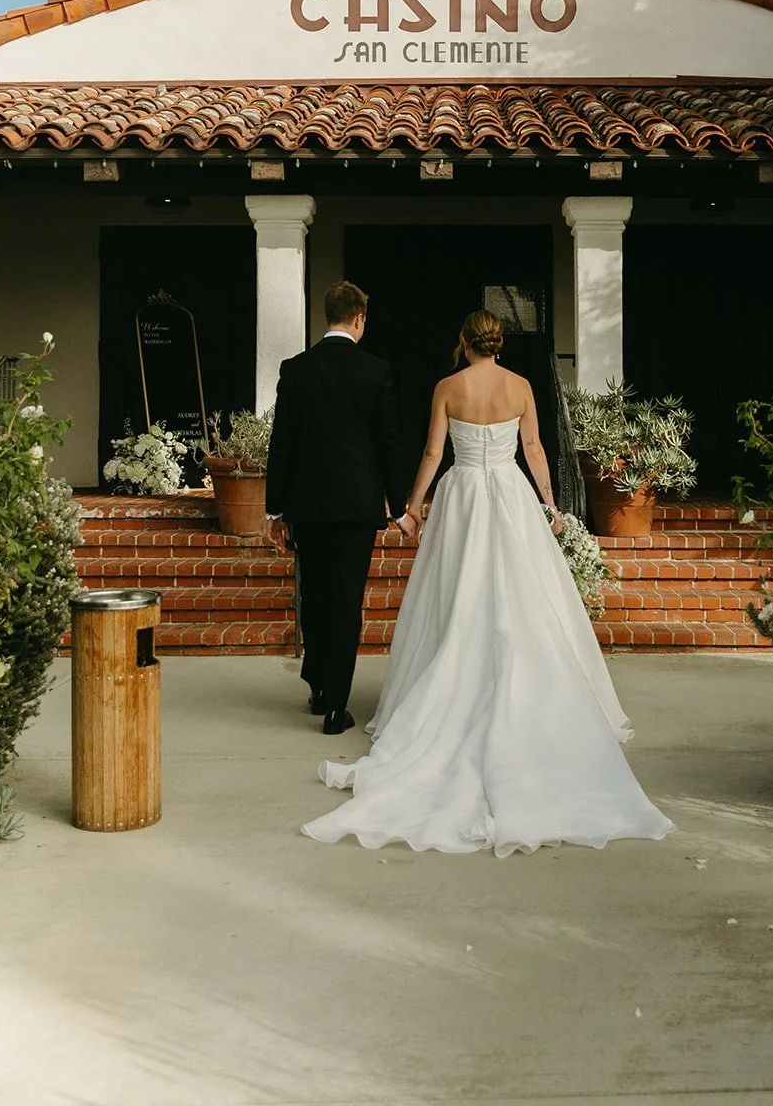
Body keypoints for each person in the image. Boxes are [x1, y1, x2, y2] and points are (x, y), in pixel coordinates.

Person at [301, 309, 673, 853]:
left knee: (459, 594)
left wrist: (413, 507)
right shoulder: (521, 385)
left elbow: (433, 452)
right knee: (523, 595)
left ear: (464, 341)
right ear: (496, 342)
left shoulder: (449, 387)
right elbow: (534, 450)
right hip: (510, 493)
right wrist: (549, 503)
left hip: (464, 496)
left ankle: (458, 676)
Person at [265, 281, 417, 735]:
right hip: (355, 505)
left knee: (314, 591)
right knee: (346, 600)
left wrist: (274, 510)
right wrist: (400, 506)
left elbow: (282, 443)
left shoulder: (296, 369)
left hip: (308, 504)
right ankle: (336, 704)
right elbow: (389, 445)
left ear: (328, 316)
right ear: (359, 318)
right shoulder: (375, 371)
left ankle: (318, 684)